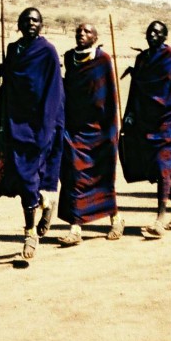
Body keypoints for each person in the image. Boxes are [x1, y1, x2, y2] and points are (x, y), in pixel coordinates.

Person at [0, 7, 65, 259]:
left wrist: (47, 127)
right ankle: (37, 217)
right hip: (14, 122)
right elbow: (10, 82)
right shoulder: (13, 49)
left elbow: (54, 91)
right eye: (26, 20)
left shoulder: (48, 51)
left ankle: (33, 227)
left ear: (42, 25)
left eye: (35, 19)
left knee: (31, 177)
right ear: (18, 25)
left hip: (40, 123)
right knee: (21, 177)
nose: (31, 23)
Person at [119, 21, 171, 238]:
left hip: (170, 121)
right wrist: (130, 115)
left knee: (164, 166)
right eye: (149, 31)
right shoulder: (141, 59)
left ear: (165, 36)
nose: (152, 35)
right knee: (161, 169)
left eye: (157, 32)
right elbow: (135, 88)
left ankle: (159, 219)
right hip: (147, 121)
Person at [57, 23, 125, 246]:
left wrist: (111, 130)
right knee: (74, 175)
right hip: (74, 127)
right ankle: (75, 228)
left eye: (87, 32)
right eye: (79, 31)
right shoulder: (69, 58)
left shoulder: (103, 60)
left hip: (99, 129)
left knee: (102, 176)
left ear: (95, 38)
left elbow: (109, 96)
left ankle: (116, 218)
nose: (82, 35)